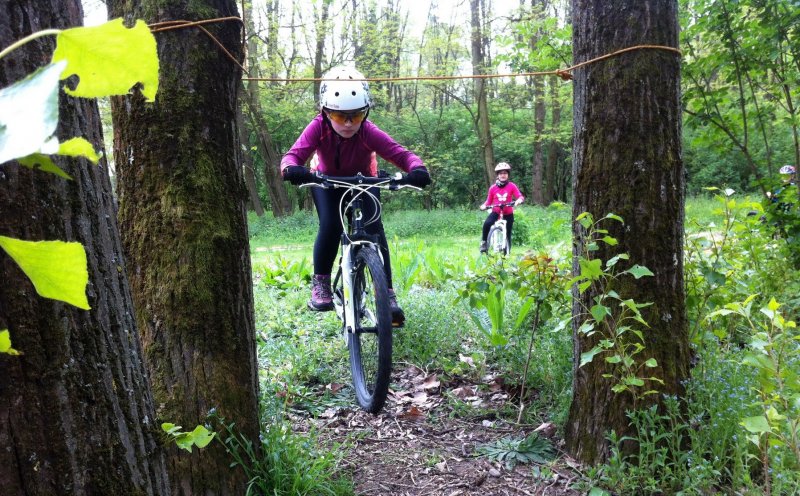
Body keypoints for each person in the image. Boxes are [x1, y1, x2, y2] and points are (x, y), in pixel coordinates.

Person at [281, 66, 431, 326]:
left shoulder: (368, 131)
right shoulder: (318, 127)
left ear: (365, 112)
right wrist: (292, 169)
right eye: (340, 115)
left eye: (357, 115)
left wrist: (417, 169)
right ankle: (321, 284)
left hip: (364, 180)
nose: (349, 123)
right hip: (326, 181)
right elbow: (292, 156)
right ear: (326, 112)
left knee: (375, 229)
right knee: (331, 226)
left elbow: (401, 154)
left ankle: (388, 294)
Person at [479, 162, 524, 253]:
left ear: (508, 175)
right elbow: (488, 201)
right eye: (501, 173)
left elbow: (520, 196)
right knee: (487, 223)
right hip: (496, 212)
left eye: (505, 173)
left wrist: (518, 201)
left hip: (508, 213)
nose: (503, 175)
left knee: (508, 233)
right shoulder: (493, 188)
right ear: (498, 175)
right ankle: (484, 243)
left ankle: (507, 252)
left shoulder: (512, 186)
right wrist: (484, 206)